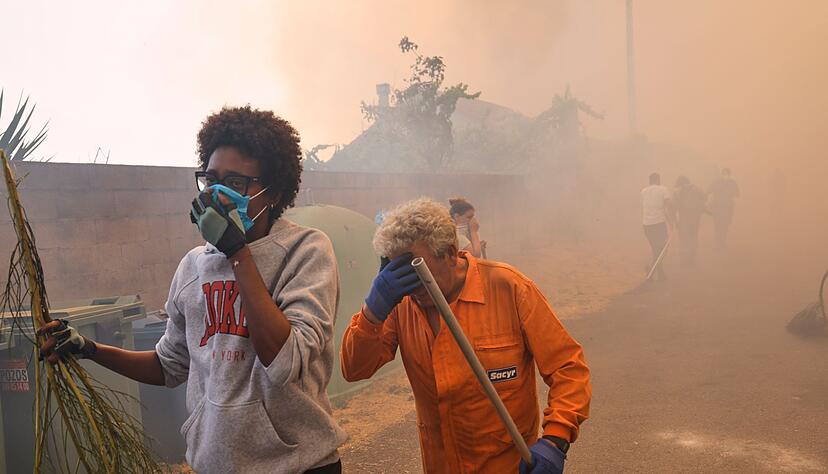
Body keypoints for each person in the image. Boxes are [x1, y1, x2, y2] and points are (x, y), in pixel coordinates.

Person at [37, 106, 346, 474]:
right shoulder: (193, 266)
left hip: (298, 465)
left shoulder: (305, 250)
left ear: (274, 191)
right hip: (215, 465)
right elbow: (169, 366)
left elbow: (284, 362)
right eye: (209, 179)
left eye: (234, 183)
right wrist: (90, 349)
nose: (216, 193)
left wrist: (237, 252)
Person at [340, 198, 591, 473]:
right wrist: (372, 312)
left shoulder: (509, 288)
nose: (410, 284)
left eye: (417, 269)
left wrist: (556, 439)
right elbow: (355, 370)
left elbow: (568, 367)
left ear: (449, 253)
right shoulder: (399, 304)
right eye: (398, 271)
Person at [641, 172, 674, 280]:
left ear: (650, 181)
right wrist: (672, 222)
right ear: (658, 180)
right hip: (659, 223)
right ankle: (652, 270)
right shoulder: (663, 189)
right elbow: (668, 206)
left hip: (646, 225)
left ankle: (659, 272)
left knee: (656, 248)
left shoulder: (643, 191)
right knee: (663, 248)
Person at [673, 176, 707, 265]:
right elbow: (704, 199)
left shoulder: (678, 192)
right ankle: (692, 257)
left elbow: (674, 206)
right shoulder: (698, 189)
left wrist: (675, 221)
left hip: (683, 219)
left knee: (684, 239)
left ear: (681, 184)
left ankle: (684, 259)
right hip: (695, 219)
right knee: (693, 237)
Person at [707, 168, 740, 249]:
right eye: (724, 174)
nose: (725, 176)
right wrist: (709, 199)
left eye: (727, 174)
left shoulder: (732, 183)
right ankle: (718, 243)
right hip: (717, 208)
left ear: (729, 175)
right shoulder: (716, 182)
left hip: (727, 209)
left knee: (725, 226)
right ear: (721, 174)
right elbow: (708, 191)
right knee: (717, 226)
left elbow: (737, 194)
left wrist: (734, 196)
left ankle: (722, 242)